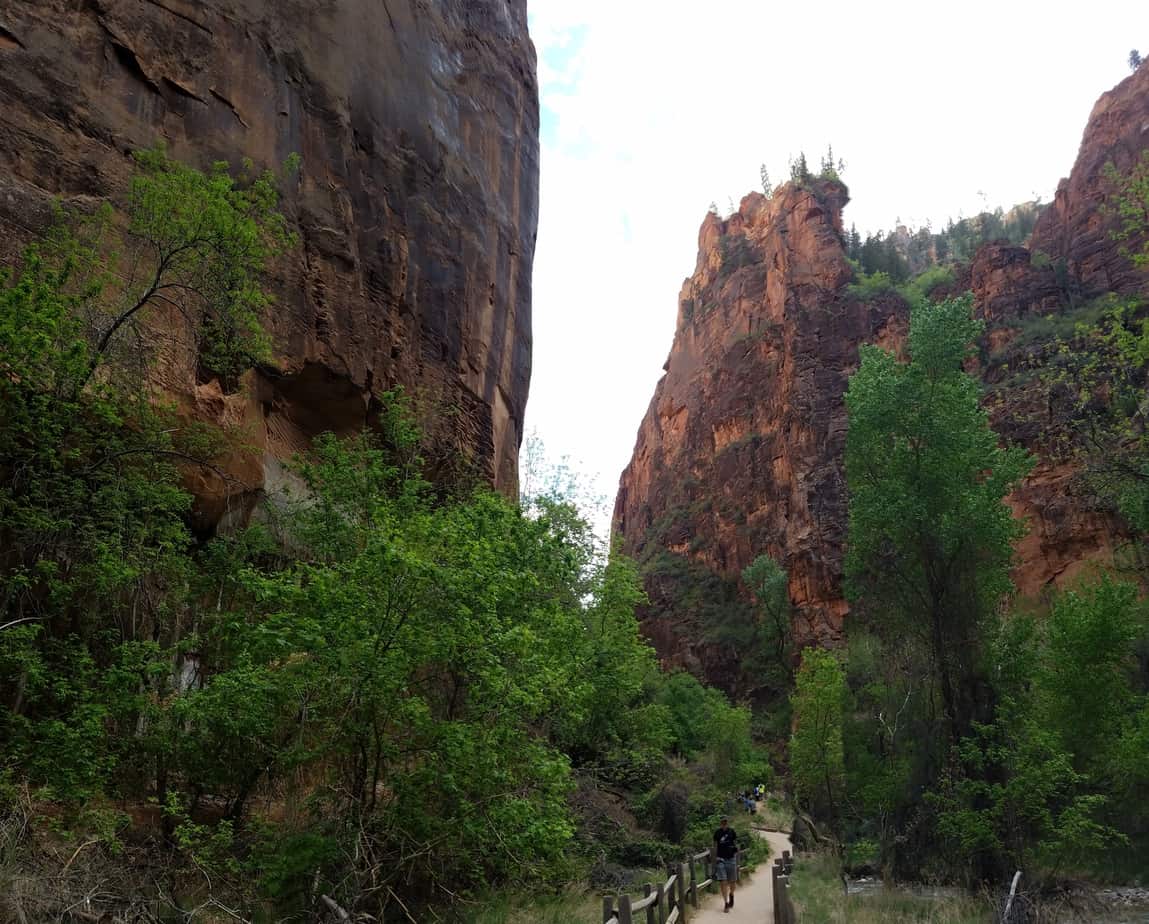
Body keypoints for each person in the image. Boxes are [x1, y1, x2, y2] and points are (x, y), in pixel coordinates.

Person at [713, 816, 738, 912]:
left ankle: (731, 894)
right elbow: (715, 846)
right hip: (721, 859)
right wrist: (714, 859)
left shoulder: (732, 832)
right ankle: (726, 903)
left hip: (731, 858)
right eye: (722, 822)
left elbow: (735, 843)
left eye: (725, 822)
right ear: (720, 823)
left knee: (732, 882)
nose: (724, 824)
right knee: (723, 881)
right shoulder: (717, 833)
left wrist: (735, 851)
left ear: (728, 823)